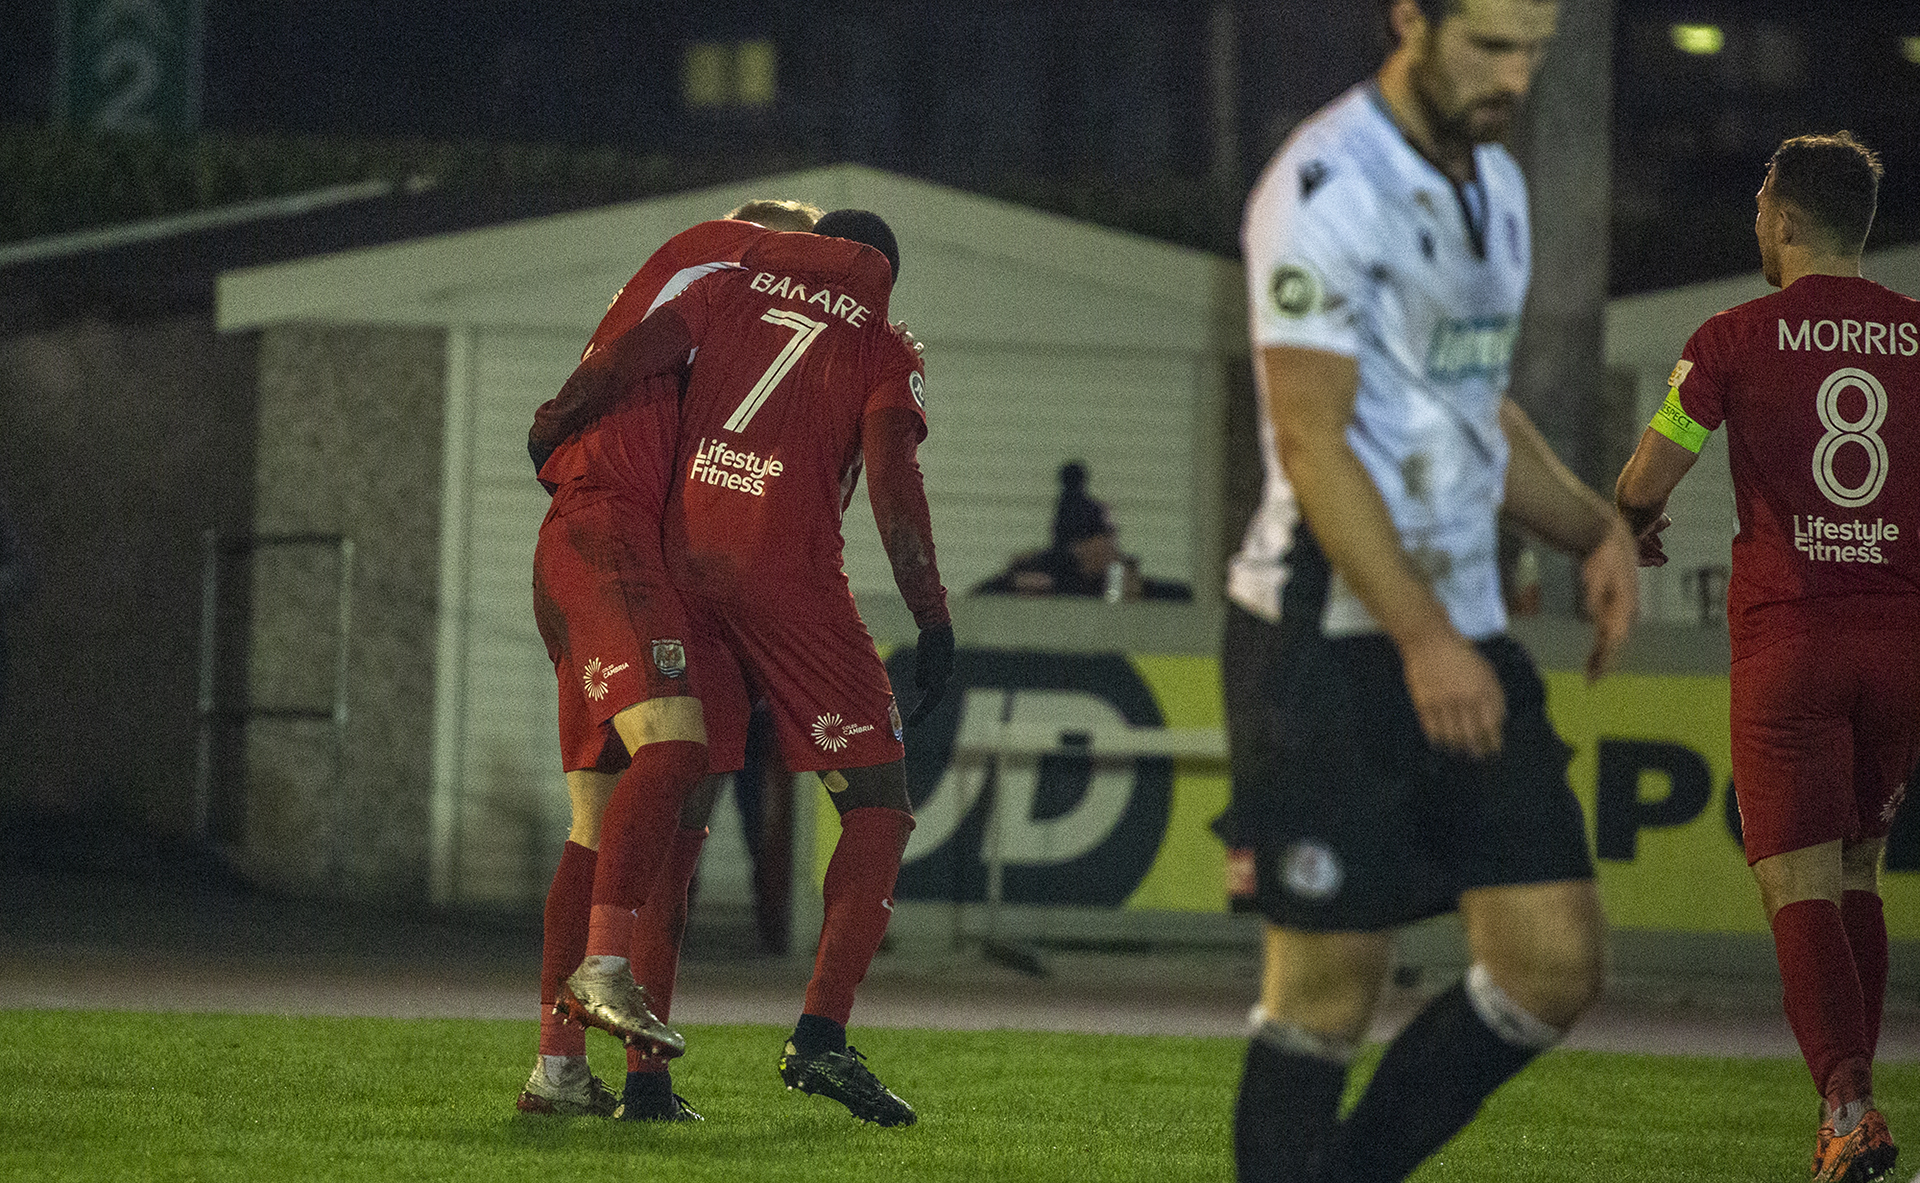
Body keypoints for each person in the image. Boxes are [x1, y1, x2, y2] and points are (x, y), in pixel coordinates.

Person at [1224, 1, 1641, 1180]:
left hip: (1455, 630)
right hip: (1325, 641)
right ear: (1411, 17)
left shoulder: (1495, 183)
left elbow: (1470, 406)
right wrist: (1422, 636)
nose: (1516, 75)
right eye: (1491, 46)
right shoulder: (1323, 184)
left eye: (1536, 52)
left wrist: (1591, 527)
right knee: (1324, 992)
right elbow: (1312, 441)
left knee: (1554, 962)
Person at [533, 209, 954, 1127]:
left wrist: (556, 417)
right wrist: (930, 612)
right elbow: (892, 481)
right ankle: (820, 1033)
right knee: (877, 799)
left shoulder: (726, 291)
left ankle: (626, 1077)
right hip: (777, 569)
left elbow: (638, 355)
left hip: (669, 557)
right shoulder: (884, 339)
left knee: (659, 826)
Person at [1616, 132, 1918, 1183]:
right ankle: (1855, 1112)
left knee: (1794, 881)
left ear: (1787, 219)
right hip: (1901, 642)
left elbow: (1651, 469)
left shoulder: (1730, 336)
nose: (1753, 217)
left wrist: (1636, 521)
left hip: (1792, 638)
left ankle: (1845, 1108)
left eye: (1758, 201)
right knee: (1856, 870)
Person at [519, 199, 823, 1123]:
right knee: (676, 752)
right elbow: (643, 352)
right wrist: (555, 421)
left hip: (657, 558)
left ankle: (573, 1075)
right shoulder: (734, 270)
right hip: (610, 535)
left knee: (622, 826)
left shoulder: (729, 313)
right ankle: (605, 970)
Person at [972, 460, 1192, 600]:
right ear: (1079, 546)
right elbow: (979, 598)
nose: (1110, 547)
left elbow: (1180, 596)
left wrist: (1139, 593)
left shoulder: (1115, 577)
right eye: (1102, 540)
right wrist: (1013, 586)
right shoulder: (1045, 570)